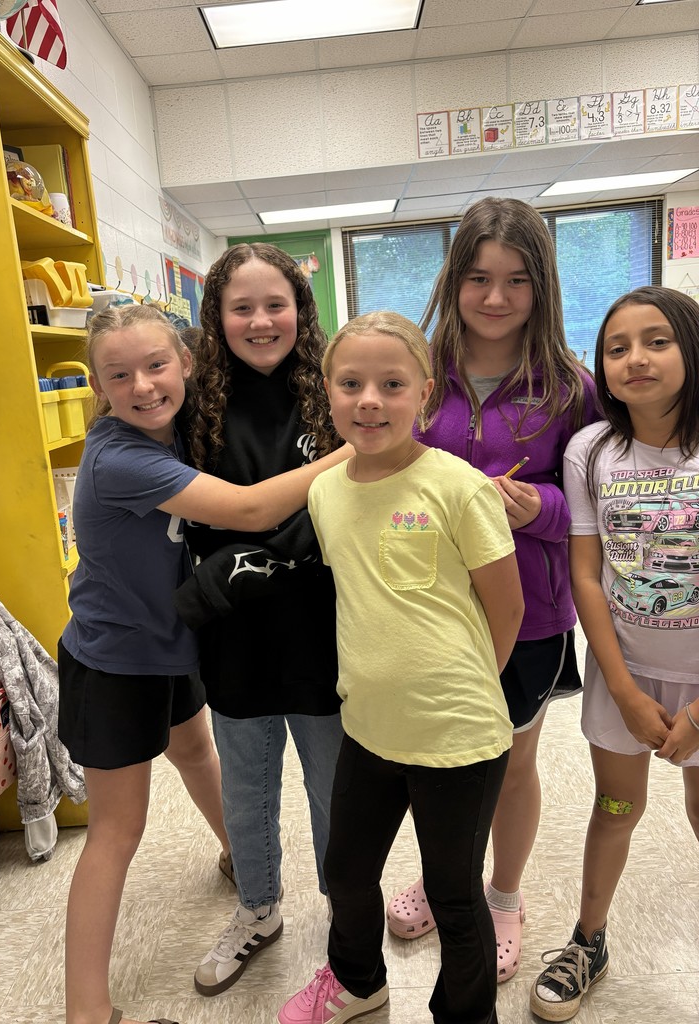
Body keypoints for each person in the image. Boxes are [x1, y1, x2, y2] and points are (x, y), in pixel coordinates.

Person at [57, 303, 348, 1024]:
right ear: (99, 385)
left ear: (187, 363)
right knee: (116, 833)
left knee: (193, 751)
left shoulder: (185, 428)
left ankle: (237, 863)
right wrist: (357, 449)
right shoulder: (122, 456)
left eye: (157, 366)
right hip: (114, 663)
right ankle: (86, 1010)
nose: (143, 386)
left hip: (172, 645)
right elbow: (250, 509)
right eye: (119, 375)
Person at [278, 311, 524, 1024]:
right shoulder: (325, 491)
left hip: (458, 735)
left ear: (425, 392)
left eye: (391, 384)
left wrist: (466, 687)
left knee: (452, 891)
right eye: (351, 384)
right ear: (327, 392)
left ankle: (466, 1013)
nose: (370, 401)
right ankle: (359, 983)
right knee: (347, 873)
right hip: (369, 728)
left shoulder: (458, 487)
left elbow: (503, 610)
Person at [386, 197, 599, 984]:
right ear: (454, 281)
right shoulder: (417, 370)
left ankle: (502, 896)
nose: (496, 298)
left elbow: (596, 498)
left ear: (541, 286)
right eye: (478, 278)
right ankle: (448, 878)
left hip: (532, 611)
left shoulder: (572, 387)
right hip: (428, 608)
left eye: (515, 280)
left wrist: (536, 506)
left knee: (512, 761)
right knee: (438, 762)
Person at [171, 243, 345, 996]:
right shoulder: (191, 403)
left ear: (300, 310)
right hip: (234, 637)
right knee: (245, 788)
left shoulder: (333, 394)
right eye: (240, 307)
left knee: (336, 789)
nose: (259, 320)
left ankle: (350, 912)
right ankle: (258, 906)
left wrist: (258, 554)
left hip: (325, 632)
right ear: (216, 316)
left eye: (275, 303)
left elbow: (353, 501)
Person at [530, 286, 699, 1021]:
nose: (635, 359)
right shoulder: (591, 450)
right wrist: (626, 690)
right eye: (618, 347)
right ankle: (588, 939)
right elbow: (588, 574)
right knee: (616, 806)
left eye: (657, 341)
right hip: (623, 677)